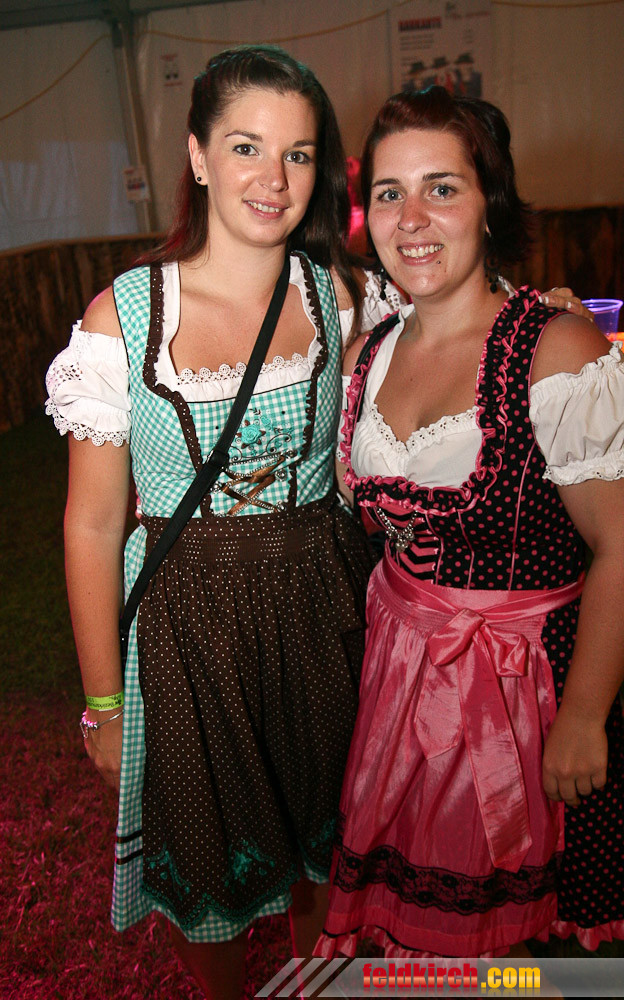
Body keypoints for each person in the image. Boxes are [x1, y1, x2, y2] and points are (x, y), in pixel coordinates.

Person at [44, 46, 411, 1000]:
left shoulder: (340, 294)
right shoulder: (122, 319)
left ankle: (315, 983)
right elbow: (91, 526)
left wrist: (540, 317)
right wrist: (104, 703)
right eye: (246, 147)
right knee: (207, 858)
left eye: (298, 154)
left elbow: (439, 358)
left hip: (322, 610)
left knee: (323, 843)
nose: (273, 178)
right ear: (198, 155)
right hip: (185, 628)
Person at [318, 87, 624, 959]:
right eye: (390, 193)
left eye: (441, 188)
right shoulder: (368, 355)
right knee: (412, 928)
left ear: (489, 202)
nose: (411, 219)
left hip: (524, 693)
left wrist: (582, 717)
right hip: (397, 677)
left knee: (520, 945)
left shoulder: (556, 351)